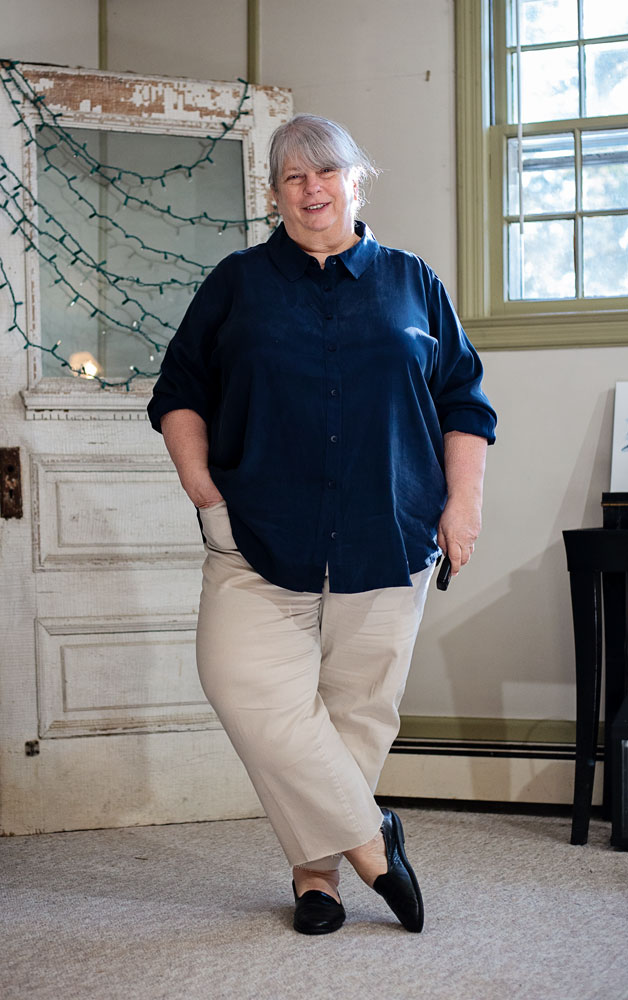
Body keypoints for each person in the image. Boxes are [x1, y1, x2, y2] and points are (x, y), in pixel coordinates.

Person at [147, 113, 497, 935]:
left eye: (326, 173)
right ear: (273, 193)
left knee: (355, 715)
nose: (312, 190)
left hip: (389, 532)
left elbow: (463, 402)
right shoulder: (236, 283)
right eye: (293, 178)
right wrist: (201, 485)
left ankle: (318, 879)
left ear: (354, 181)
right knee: (247, 690)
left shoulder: (412, 280)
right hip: (259, 538)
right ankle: (375, 840)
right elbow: (179, 390)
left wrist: (463, 503)